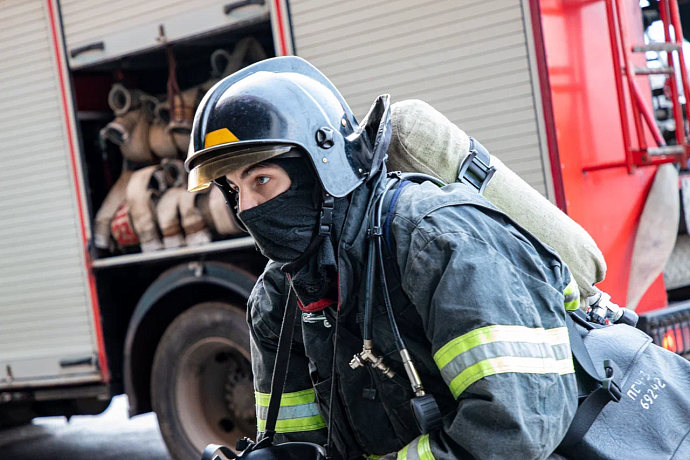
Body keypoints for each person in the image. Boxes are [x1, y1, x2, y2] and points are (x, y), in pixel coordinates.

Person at [186, 56, 578, 460]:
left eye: (262, 180)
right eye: (234, 190)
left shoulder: (437, 242)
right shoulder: (277, 300)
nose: (247, 209)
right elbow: (298, 445)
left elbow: (513, 429)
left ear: (320, 170)